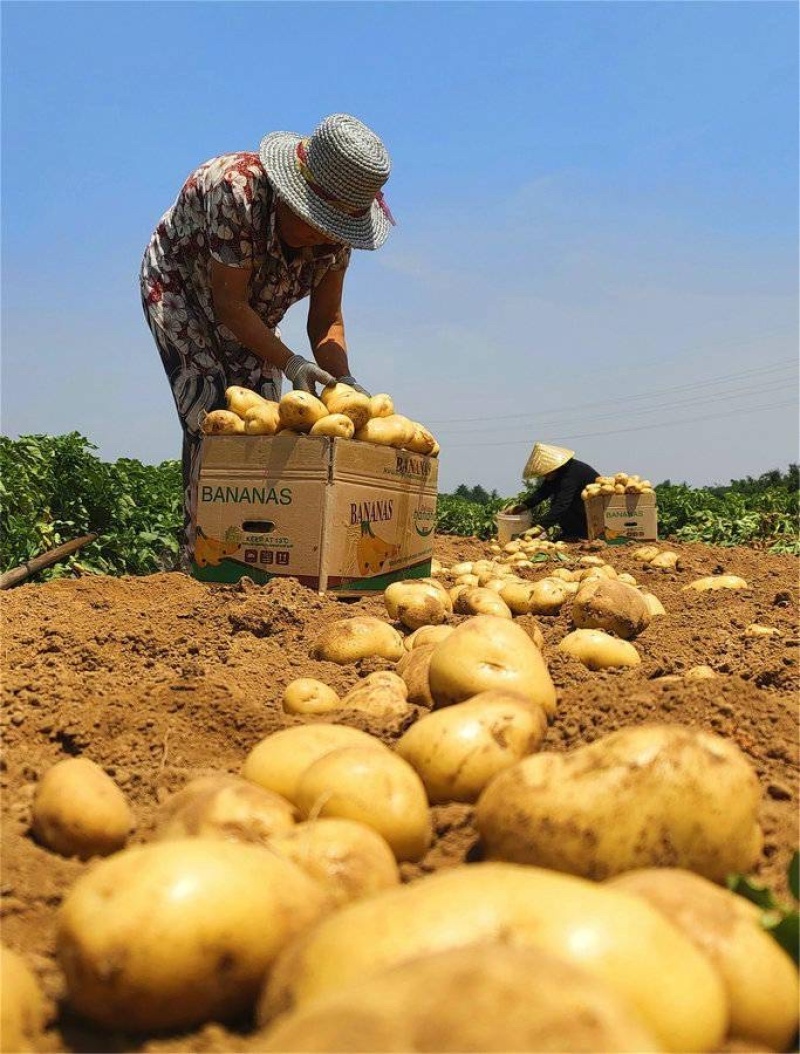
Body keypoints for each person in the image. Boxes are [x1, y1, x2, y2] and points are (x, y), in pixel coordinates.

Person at [139, 112, 396, 565]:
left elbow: (326, 319)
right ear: (290, 197)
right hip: (186, 293)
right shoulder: (235, 190)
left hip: (252, 312)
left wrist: (345, 381)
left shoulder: (337, 237)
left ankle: (263, 549)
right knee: (214, 415)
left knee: (266, 425)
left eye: (336, 228)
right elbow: (228, 305)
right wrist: (291, 363)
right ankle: (201, 555)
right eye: (318, 222)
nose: (324, 237)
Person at [506, 443, 599, 541]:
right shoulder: (559, 473)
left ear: (554, 467)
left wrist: (540, 527)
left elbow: (562, 504)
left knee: (560, 504)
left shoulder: (572, 474)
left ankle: (578, 534)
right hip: (580, 506)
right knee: (556, 501)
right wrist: (523, 506)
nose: (544, 476)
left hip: (591, 509)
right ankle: (570, 533)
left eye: (546, 473)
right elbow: (542, 492)